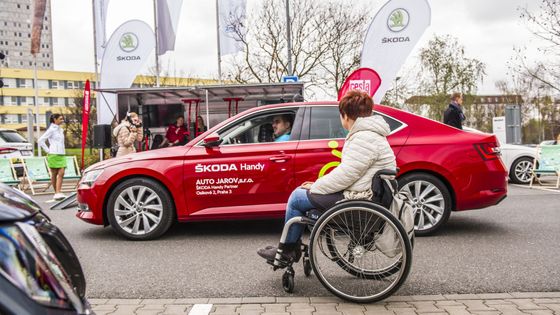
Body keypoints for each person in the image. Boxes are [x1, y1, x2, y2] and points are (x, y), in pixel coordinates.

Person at [257, 90, 397, 262]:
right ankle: (291, 245)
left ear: (345, 116)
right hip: (367, 195)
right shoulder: (371, 135)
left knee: (296, 197)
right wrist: (318, 185)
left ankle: (287, 250)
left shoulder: (363, 137)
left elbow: (346, 175)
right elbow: (350, 172)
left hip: (360, 199)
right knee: (303, 194)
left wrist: (316, 186)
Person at [38, 114, 67, 201]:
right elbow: (40, 140)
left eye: (62, 119)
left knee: (61, 173)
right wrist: (48, 151)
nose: (62, 120)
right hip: (53, 154)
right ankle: (57, 193)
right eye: (60, 119)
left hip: (61, 154)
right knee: (54, 174)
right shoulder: (51, 130)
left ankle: (58, 192)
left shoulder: (60, 130)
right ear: (55, 119)